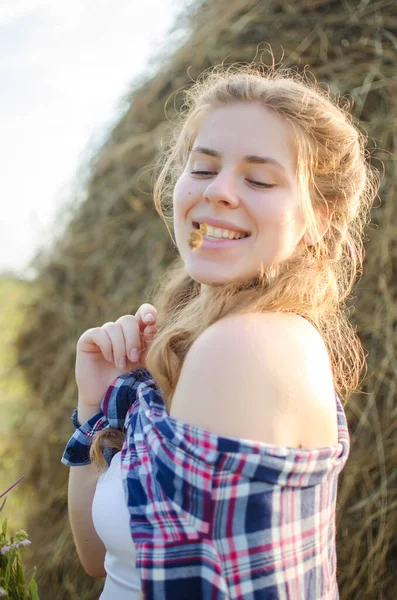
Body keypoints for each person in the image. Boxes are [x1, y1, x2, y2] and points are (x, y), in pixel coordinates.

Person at [61, 63, 379, 599]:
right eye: (203, 169)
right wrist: (96, 406)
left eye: (259, 179)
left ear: (318, 218)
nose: (220, 192)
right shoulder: (200, 342)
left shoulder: (245, 347)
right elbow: (101, 557)